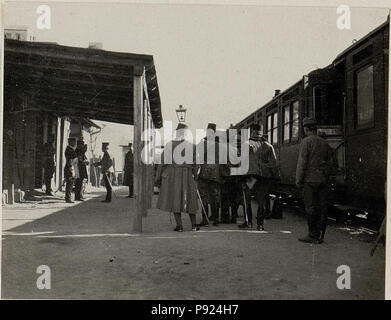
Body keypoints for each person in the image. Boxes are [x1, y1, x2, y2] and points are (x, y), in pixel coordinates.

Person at [155, 123, 200, 232]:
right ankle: (194, 225)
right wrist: (195, 176)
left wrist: (158, 178)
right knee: (190, 199)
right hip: (188, 174)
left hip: (173, 175)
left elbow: (162, 163)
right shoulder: (193, 146)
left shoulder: (170, 145)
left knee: (175, 199)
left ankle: (179, 226)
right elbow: (197, 164)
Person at [296, 117, 334, 244]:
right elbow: (332, 163)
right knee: (322, 208)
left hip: (309, 181)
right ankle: (321, 235)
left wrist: (298, 180)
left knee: (311, 208)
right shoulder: (324, 142)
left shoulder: (306, 142)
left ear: (306, 129)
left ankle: (312, 234)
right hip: (323, 180)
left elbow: (302, 163)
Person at [239, 124, 279, 231]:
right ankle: (260, 224)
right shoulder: (268, 146)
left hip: (250, 177)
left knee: (247, 199)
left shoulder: (246, 145)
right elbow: (274, 164)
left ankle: (249, 222)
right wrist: (275, 177)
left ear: (251, 131)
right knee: (261, 201)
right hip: (264, 177)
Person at [197, 123, 223, 226]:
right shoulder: (220, 146)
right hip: (216, 173)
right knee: (215, 196)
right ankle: (216, 219)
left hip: (204, 173)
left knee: (204, 197)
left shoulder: (201, 145)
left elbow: (197, 158)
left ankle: (205, 219)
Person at [64, 138, 77, 203]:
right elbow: (73, 160)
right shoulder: (70, 150)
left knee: (70, 183)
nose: (75, 143)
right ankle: (68, 198)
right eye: (73, 142)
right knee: (69, 184)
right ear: (70, 142)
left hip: (70, 167)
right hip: (70, 167)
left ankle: (68, 197)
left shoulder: (69, 149)